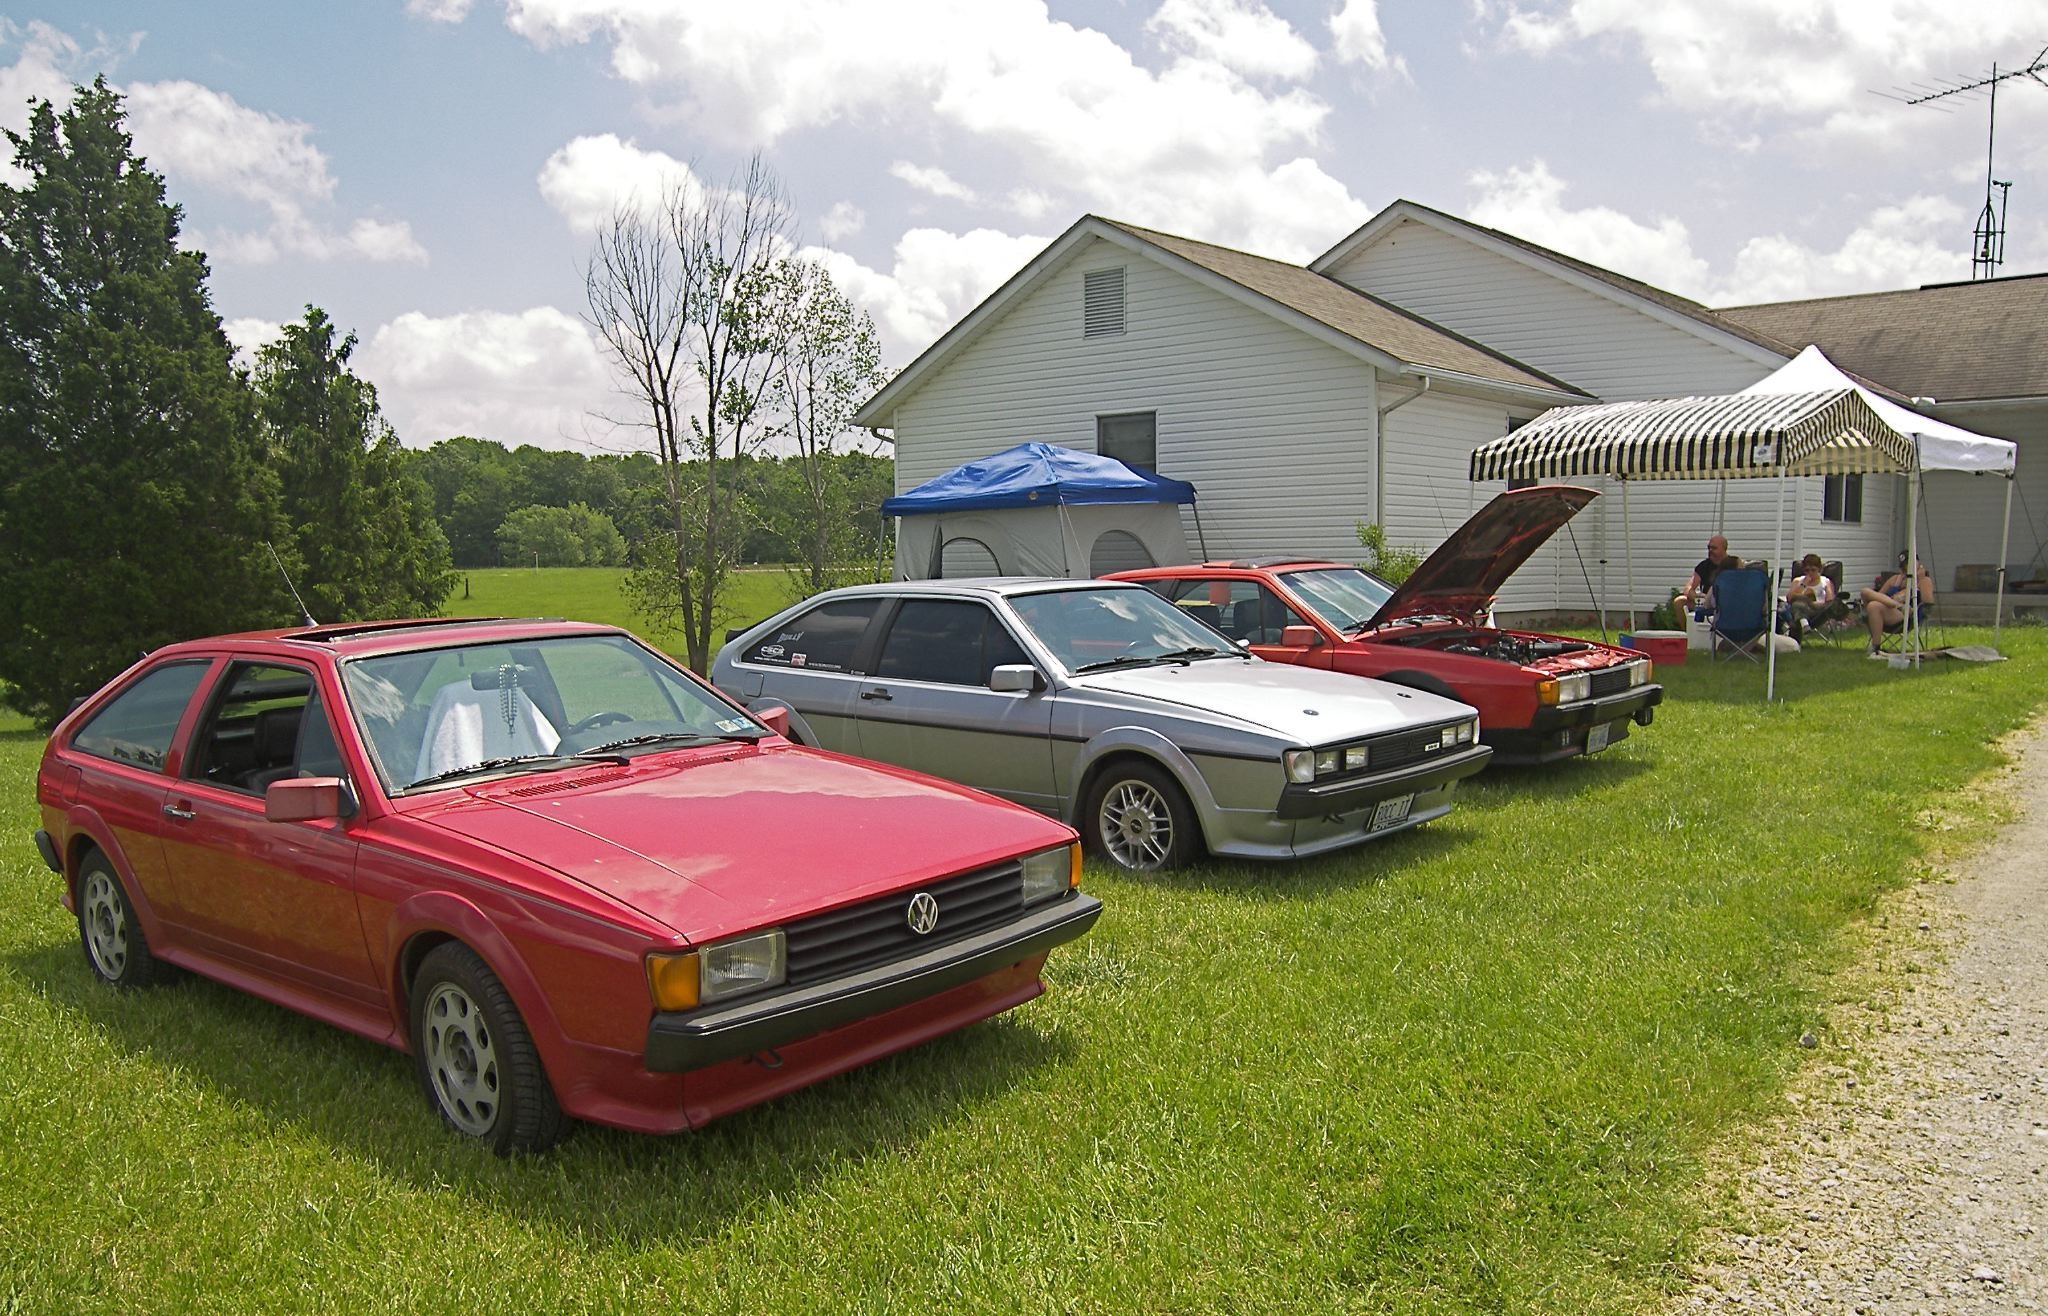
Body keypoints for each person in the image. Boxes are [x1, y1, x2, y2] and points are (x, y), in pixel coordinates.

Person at [1860, 554, 1935, 656]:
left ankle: (1875, 646)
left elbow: (1928, 601)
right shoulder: (1895, 579)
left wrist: (1919, 580)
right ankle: (1898, 605)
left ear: (1918, 564)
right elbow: (1879, 595)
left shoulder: (1924, 580)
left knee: (1873, 606)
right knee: (1865, 592)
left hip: (1906, 615)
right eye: (1904, 565)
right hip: (1890, 608)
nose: (1907, 567)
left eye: (1909, 564)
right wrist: (1896, 588)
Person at [1778, 553, 1836, 640]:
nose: (1810, 573)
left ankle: (1801, 628)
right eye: (1807, 570)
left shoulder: (1825, 582)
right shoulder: (1798, 581)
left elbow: (1830, 601)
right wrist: (1804, 584)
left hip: (1816, 612)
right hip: (1796, 610)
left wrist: (1812, 603)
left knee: (1797, 606)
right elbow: (1789, 598)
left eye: (1813, 570)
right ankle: (1804, 624)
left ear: (1819, 569)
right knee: (1797, 605)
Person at [1675, 534, 1733, 618]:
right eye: (1709, 548)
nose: (1710, 550)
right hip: (1706, 602)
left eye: (1714, 548)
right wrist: (1697, 597)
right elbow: (1688, 588)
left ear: (1724, 549)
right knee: (1679, 601)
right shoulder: (1704, 566)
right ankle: (1687, 626)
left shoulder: (1733, 564)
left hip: (1727, 603)